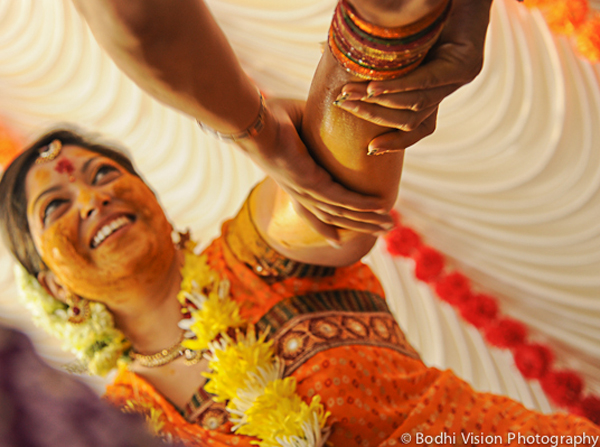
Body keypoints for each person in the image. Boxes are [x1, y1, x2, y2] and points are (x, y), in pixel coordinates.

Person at [0, 2, 598, 447]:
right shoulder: (111, 424)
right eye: (54, 206)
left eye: (103, 174)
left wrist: (386, 28)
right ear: (50, 285)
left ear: (153, 196)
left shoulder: (254, 253)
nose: (90, 199)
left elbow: (328, 201)